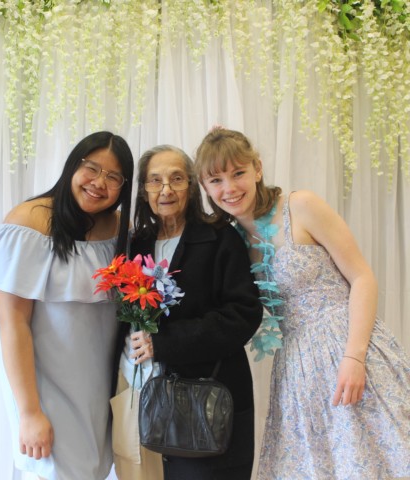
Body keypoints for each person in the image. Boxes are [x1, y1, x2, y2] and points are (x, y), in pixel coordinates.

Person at [195, 127, 410, 480]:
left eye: (238, 173)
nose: (229, 188)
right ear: (205, 188)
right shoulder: (228, 241)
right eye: (216, 180)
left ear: (258, 169)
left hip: (348, 344)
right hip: (296, 366)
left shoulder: (300, 206)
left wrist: (354, 357)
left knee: (377, 458)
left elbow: (363, 278)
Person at [0, 131, 134, 480]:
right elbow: (11, 324)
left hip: (100, 390)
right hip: (47, 389)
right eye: (91, 169)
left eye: (113, 177)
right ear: (72, 166)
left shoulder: (120, 229)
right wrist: (30, 412)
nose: (99, 183)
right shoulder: (28, 222)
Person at [110, 144, 263, 480]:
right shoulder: (134, 244)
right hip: (138, 397)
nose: (166, 190)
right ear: (144, 190)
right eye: (155, 180)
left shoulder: (221, 239)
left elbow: (243, 314)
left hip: (204, 403)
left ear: (192, 186)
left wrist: (162, 342)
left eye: (176, 179)